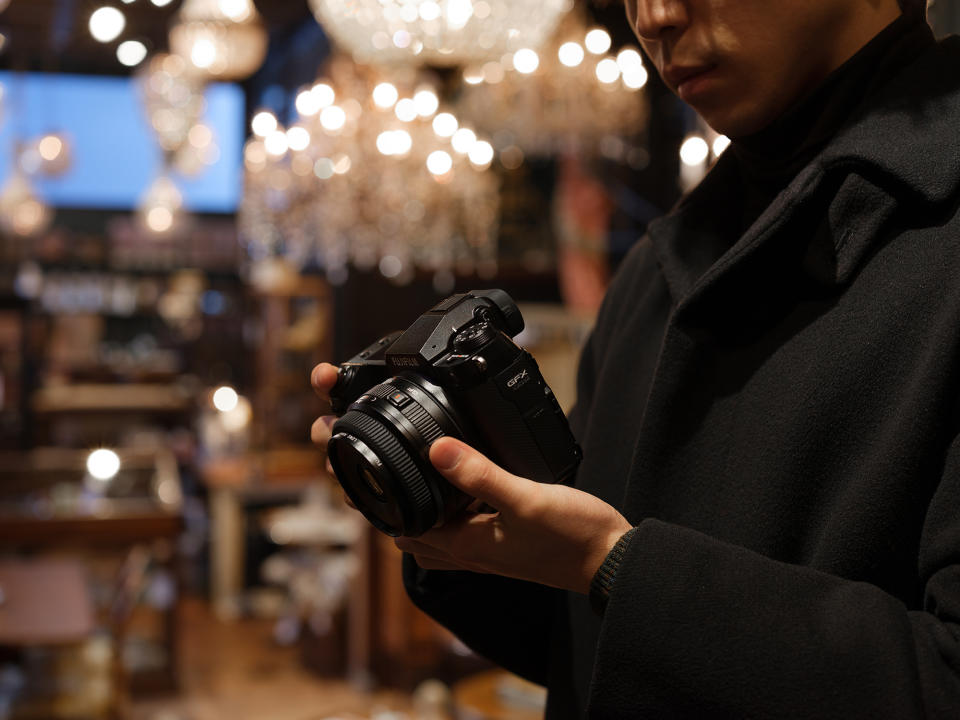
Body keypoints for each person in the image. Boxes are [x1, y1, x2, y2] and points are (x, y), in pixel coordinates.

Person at [312, 0, 960, 715]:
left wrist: (617, 565)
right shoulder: (658, 273)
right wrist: (451, 516)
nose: (654, 15)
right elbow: (582, 655)